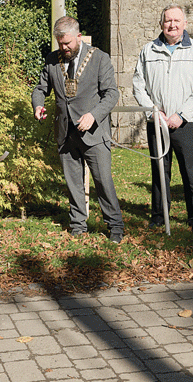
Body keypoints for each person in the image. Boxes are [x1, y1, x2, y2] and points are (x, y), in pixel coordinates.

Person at [32, 16, 125, 242]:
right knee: (73, 183)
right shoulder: (52, 60)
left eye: (68, 44)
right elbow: (40, 88)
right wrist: (38, 105)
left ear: (79, 37)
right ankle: (77, 224)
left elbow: (111, 94)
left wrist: (93, 115)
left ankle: (115, 226)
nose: (64, 48)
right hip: (65, 133)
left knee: (103, 181)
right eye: (60, 43)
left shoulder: (100, 58)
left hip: (93, 133)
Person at [131, 5, 193, 233]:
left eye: (177, 21)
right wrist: (153, 113)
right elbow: (139, 85)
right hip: (156, 122)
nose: (172, 25)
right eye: (168, 21)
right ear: (161, 24)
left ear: (185, 24)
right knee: (159, 172)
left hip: (186, 123)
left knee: (191, 174)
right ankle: (158, 216)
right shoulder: (148, 51)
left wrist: (181, 115)